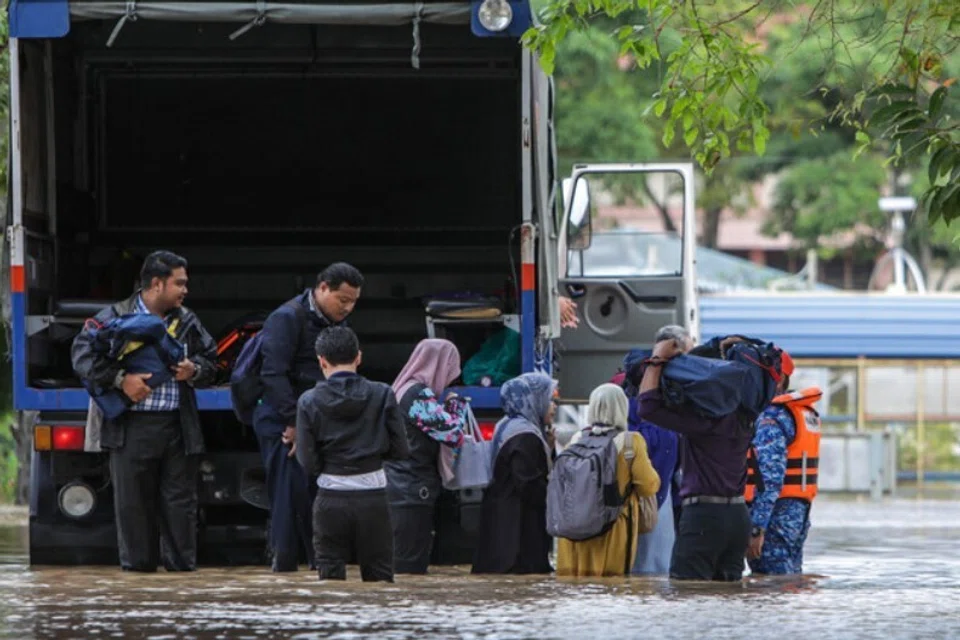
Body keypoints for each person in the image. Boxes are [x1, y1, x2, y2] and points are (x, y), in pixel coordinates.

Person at [71, 250, 217, 572]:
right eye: (179, 283)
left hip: (178, 429)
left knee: (180, 511)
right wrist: (120, 381)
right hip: (130, 428)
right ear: (156, 284)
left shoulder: (187, 321)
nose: (185, 290)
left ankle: (181, 582)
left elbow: (213, 362)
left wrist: (194, 370)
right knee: (133, 511)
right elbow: (81, 359)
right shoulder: (112, 317)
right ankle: (138, 581)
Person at [636, 328, 782, 581]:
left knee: (688, 592)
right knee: (727, 596)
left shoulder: (704, 421)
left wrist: (657, 360)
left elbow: (647, 406)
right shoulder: (747, 418)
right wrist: (718, 348)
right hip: (739, 518)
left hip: (703, 517)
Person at [254, 262, 364, 572]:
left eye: (353, 301)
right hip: (282, 420)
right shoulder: (287, 318)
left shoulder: (337, 325)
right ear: (323, 288)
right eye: (343, 299)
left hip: (318, 420)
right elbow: (273, 374)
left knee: (319, 495)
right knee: (288, 494)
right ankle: (284, 565)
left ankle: (321, 565)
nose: (348, 307)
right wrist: (293, 423)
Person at [295, 327, 410, 582]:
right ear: (359, 357)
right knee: (380, 578)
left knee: (330, 579)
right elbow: (401, 449)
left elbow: (306, 460)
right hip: (374, 498)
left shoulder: (308, 401)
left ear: (321, 361)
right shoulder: (382, 394)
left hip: (330, 498)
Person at [556, 384, 660, 577]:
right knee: (611, 587)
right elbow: (649, 486)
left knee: (575, 585)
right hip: (612, 531)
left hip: (573, 532)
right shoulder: (631, 442)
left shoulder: (575, 440)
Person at [384, 338, 467, 574]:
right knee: (409, 569)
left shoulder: (402, 390)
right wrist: (456, 405)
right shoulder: (416, 395)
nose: (450, 380)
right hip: (409, 491)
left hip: (400, 487)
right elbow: (452, 433)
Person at [745, 352, 822, 575]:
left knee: (769, 584)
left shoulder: (773, 417)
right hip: (797, 514)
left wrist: (757, 528)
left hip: (774, 517)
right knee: (788, 581)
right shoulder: (801, 412)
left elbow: (769, 478)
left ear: (777, 380)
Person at [472, 372, 556, 575]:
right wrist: (557, 498)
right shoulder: (525, 436)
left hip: (500, 525)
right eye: (549, 400)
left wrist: (549, 447)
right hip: (518, 533)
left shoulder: (506, 425)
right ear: (533, 399)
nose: (553, 407)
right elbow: (529, 485)